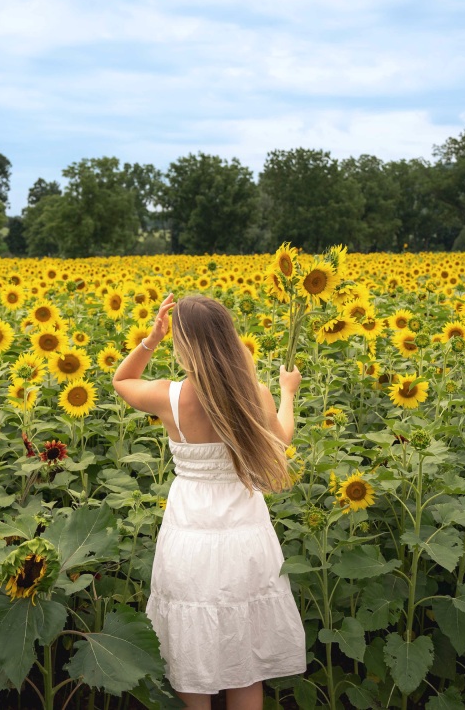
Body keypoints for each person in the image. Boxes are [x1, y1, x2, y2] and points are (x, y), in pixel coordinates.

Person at [112, 293, 307, 710]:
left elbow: (121, 381)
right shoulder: (253, 394)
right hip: (245, 530)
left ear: (183, 344)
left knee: (190, 647)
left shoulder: (170, 396)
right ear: (229, 337)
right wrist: (288, 393)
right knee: (245, 654)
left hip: (190, 530)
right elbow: (282, 441)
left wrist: (151, 338)